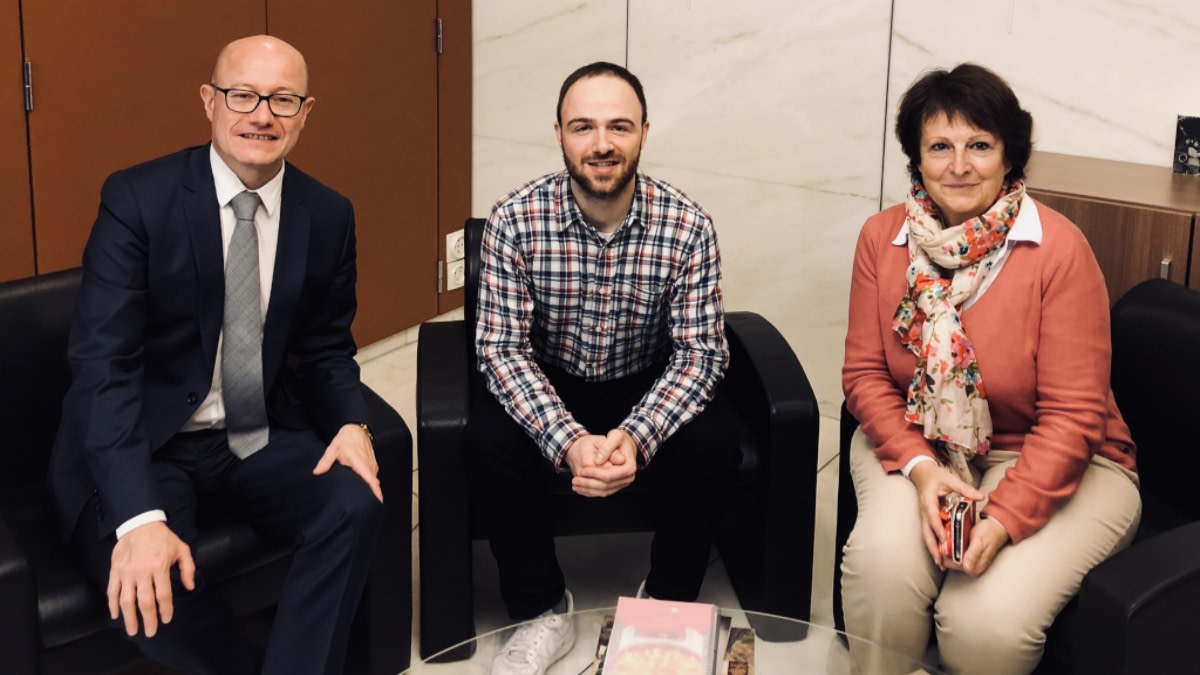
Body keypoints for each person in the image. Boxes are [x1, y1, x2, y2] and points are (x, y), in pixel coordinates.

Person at [48, 35, 383, 675]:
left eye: (283, 99)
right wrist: (139, 518)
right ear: (209, 101)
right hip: (150, 439)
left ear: (306, 113)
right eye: (243, 95)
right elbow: (103, 367)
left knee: (353, 503)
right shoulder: (137, 200)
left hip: (254, 431)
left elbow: (326, 348)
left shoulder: (329, 214)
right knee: (148, 578)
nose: (262, 114)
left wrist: (350, 422)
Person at [840, 63, 1142, 675]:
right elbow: (866, 377)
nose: (959, 165)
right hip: (920, 444)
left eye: (979, 145)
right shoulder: (882, 238)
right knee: (882, 570)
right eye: (940, 147)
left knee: (984, 625)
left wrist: (1002, 519)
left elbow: (1074, 417)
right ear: (916, 158)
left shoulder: (1058, 250)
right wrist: (924, 475)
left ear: (1010, 156)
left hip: (1059, 455)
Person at [467, 61, 740, 675]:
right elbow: (503, 350)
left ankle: (666, 601)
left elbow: (700, 354)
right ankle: (542, 610)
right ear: (558, 134)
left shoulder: (687, 224)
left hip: (646, 377)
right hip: (550, 375)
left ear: (645, 131)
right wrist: (568, 444)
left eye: (619, 126)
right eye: (583, 127)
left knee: (716, 441)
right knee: (486, 438)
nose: (601, 144)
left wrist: (636, 438)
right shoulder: (514, 219)